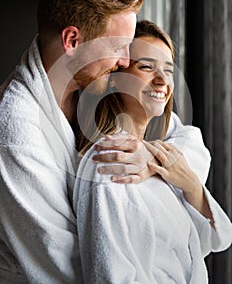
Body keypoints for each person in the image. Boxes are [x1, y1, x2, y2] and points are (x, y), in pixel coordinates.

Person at [0, 0, 210, 283]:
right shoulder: (15, 131)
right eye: (118, 46)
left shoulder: (94, 84)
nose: (126, 61)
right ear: (73, 41)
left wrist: (151, 159)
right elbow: (62, 265)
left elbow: (187, 137)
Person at [74, 20, 232, 283]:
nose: (161, 81)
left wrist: (192, 185)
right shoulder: (109, 162)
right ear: (114, 80)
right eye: (146, 67)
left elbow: (202, 243)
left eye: (168, 70)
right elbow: (111, 276)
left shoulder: (157, 152)